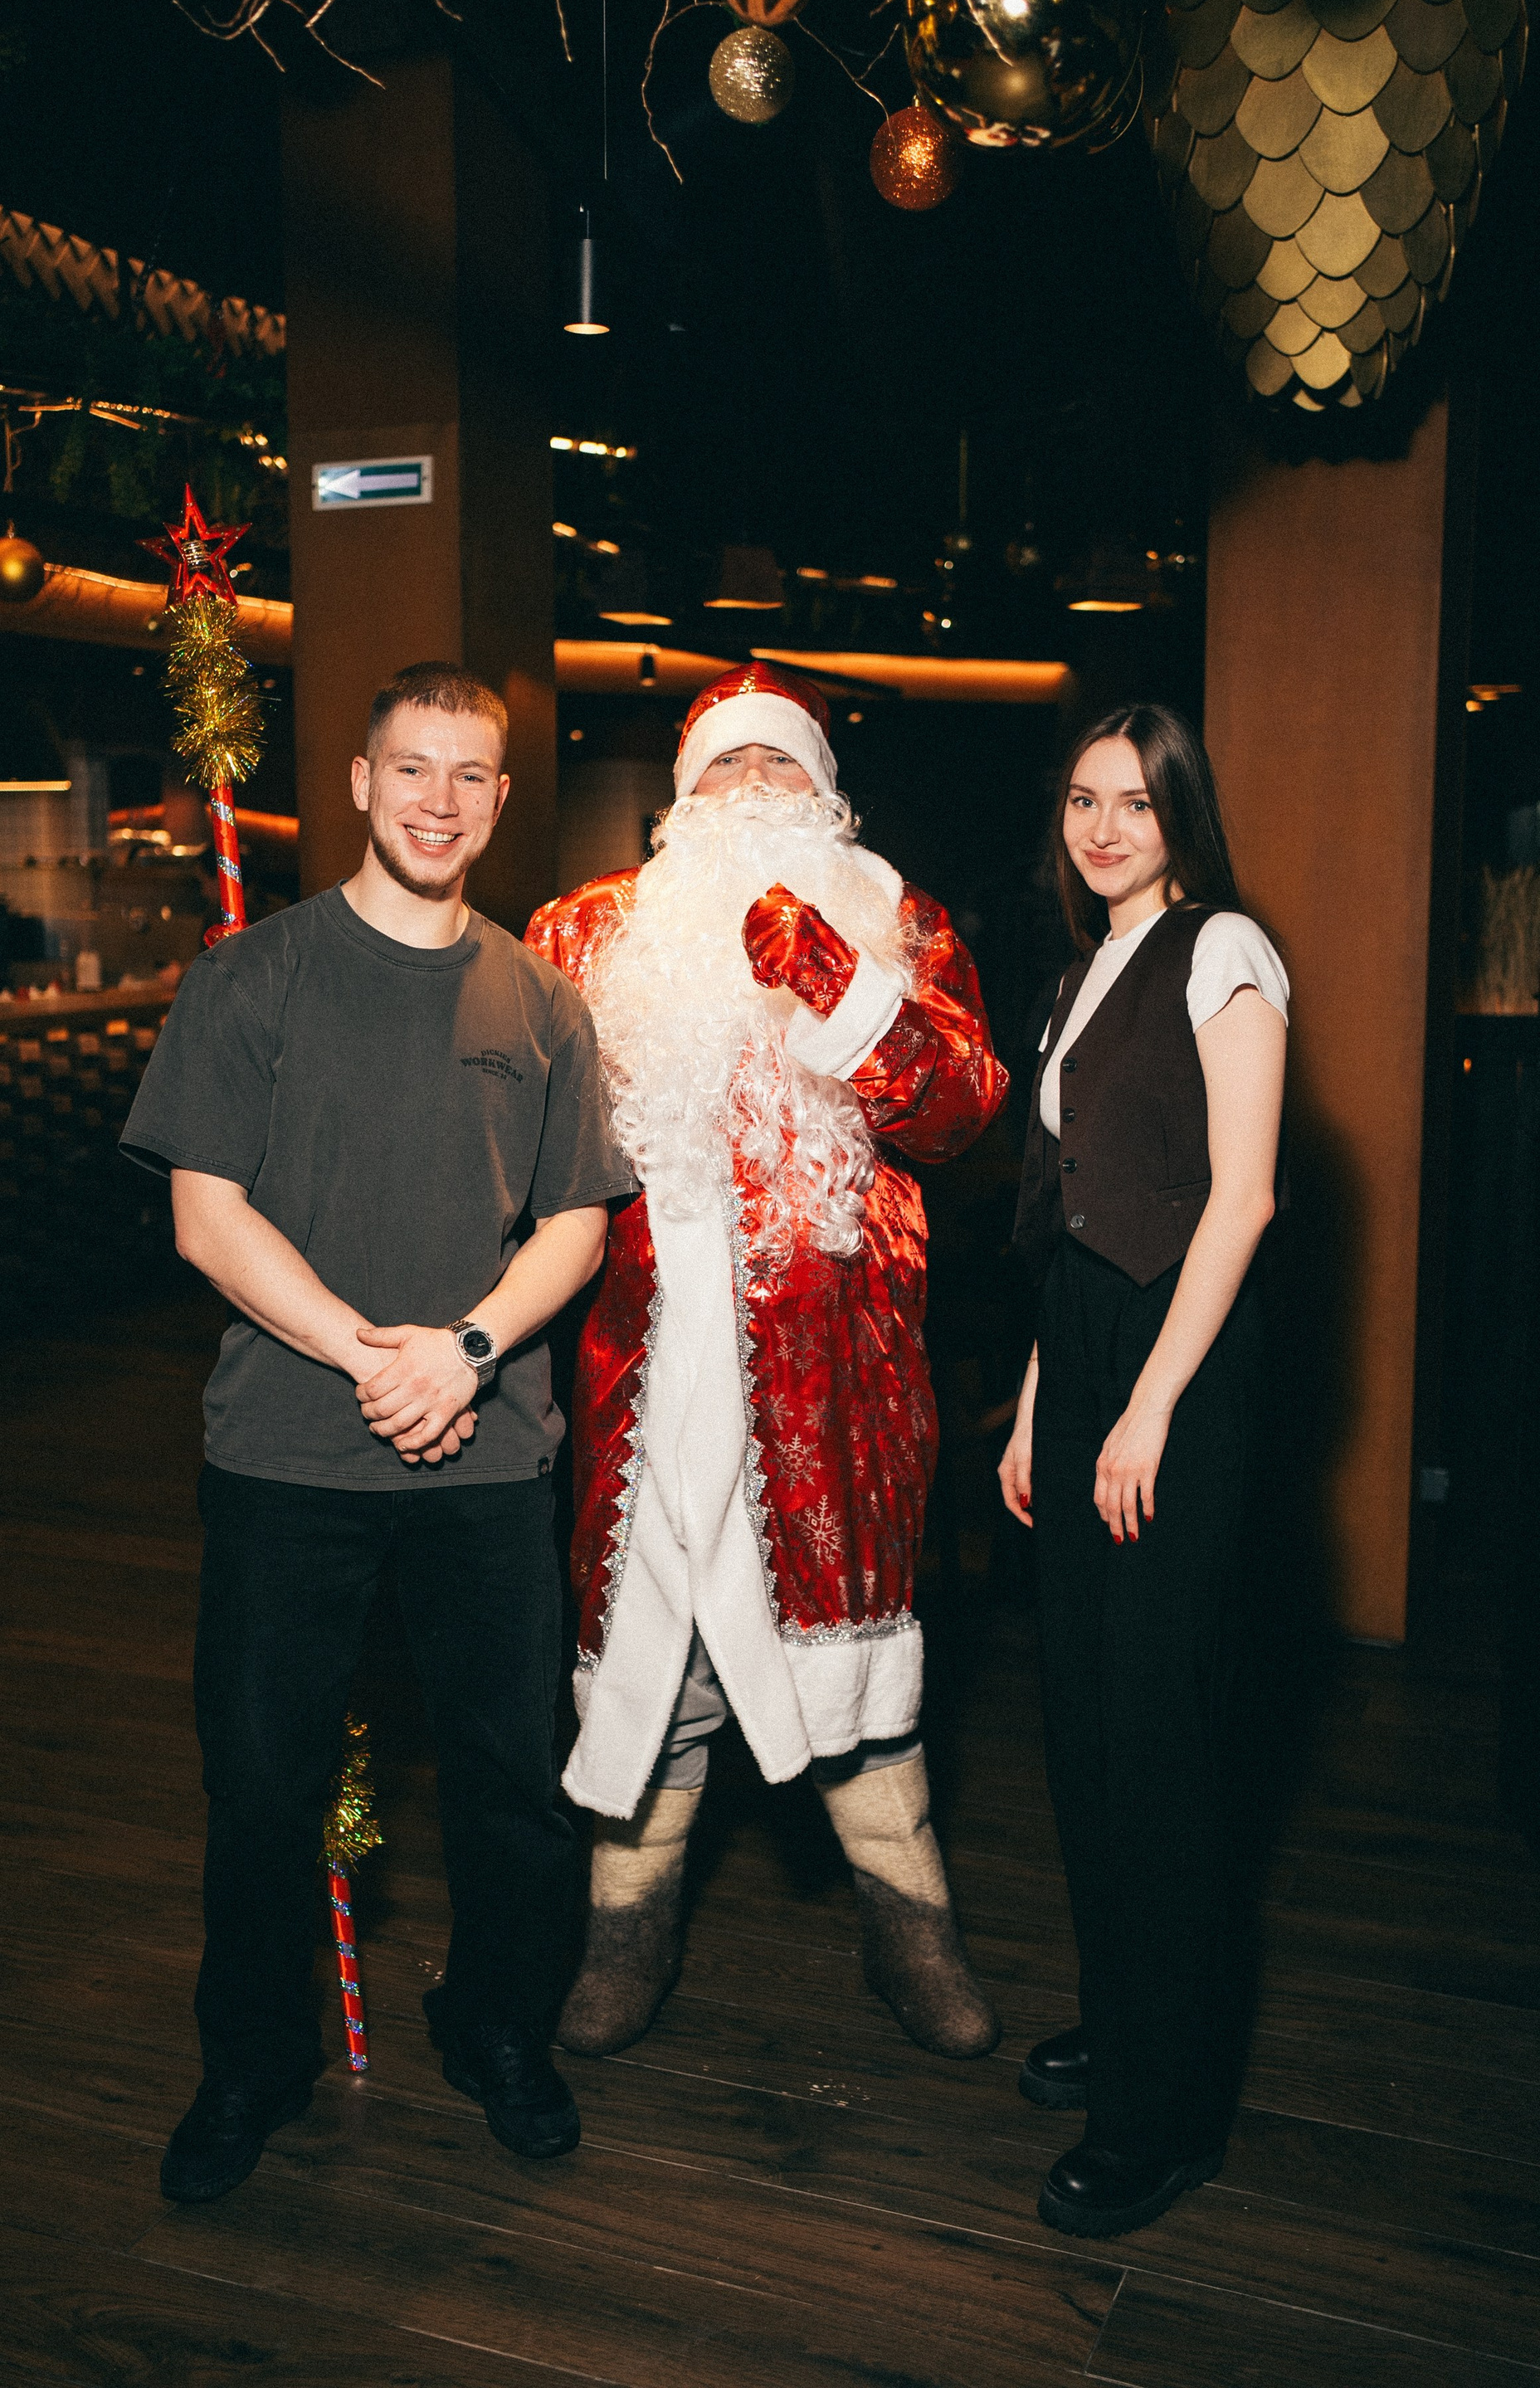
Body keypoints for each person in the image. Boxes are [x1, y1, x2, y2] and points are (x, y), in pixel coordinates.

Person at [122, 663, 632, 2202]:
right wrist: (371, 1355)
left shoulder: (540, 1001)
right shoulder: (251, 978)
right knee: (263, 1785)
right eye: (412, 767)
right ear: (358, 782)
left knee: (513, 1781)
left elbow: (579, 1221)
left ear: (501, 799)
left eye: (471, 775)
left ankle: (497, 2029)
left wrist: (465, 1351)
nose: (439, 801)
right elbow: (206, 1217)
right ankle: (252, 2061)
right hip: (288, 1455)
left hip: (491, 1457)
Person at [525, 662, 1008, 2060]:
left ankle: (913, 1937)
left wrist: (837, 982)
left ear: (826, 791)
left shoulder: (896, 918)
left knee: (856, 1670)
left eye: (778, 762)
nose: (751, 786)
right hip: (639, 1367)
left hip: (836, 1380)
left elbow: (965, 1111)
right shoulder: (588, 928)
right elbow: (504, 1116)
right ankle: (627, 1934)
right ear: (681, 797)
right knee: (652, 1656)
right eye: (724, 765)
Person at [999, 704, 1288, 2238]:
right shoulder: (1080, 970)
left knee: (1163, 1743)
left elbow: (1239, 1203)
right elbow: (1074, 1214)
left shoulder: (1224, 950)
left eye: (1135, 802)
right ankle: (1126, 2021)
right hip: (1090, 1355)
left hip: (1182, 1369)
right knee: (1091, 1726)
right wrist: (1042, 1403)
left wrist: (1150, 1405)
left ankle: (1166, 2117)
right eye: (1082, 802)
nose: (1103, 829)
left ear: (1183, 815)